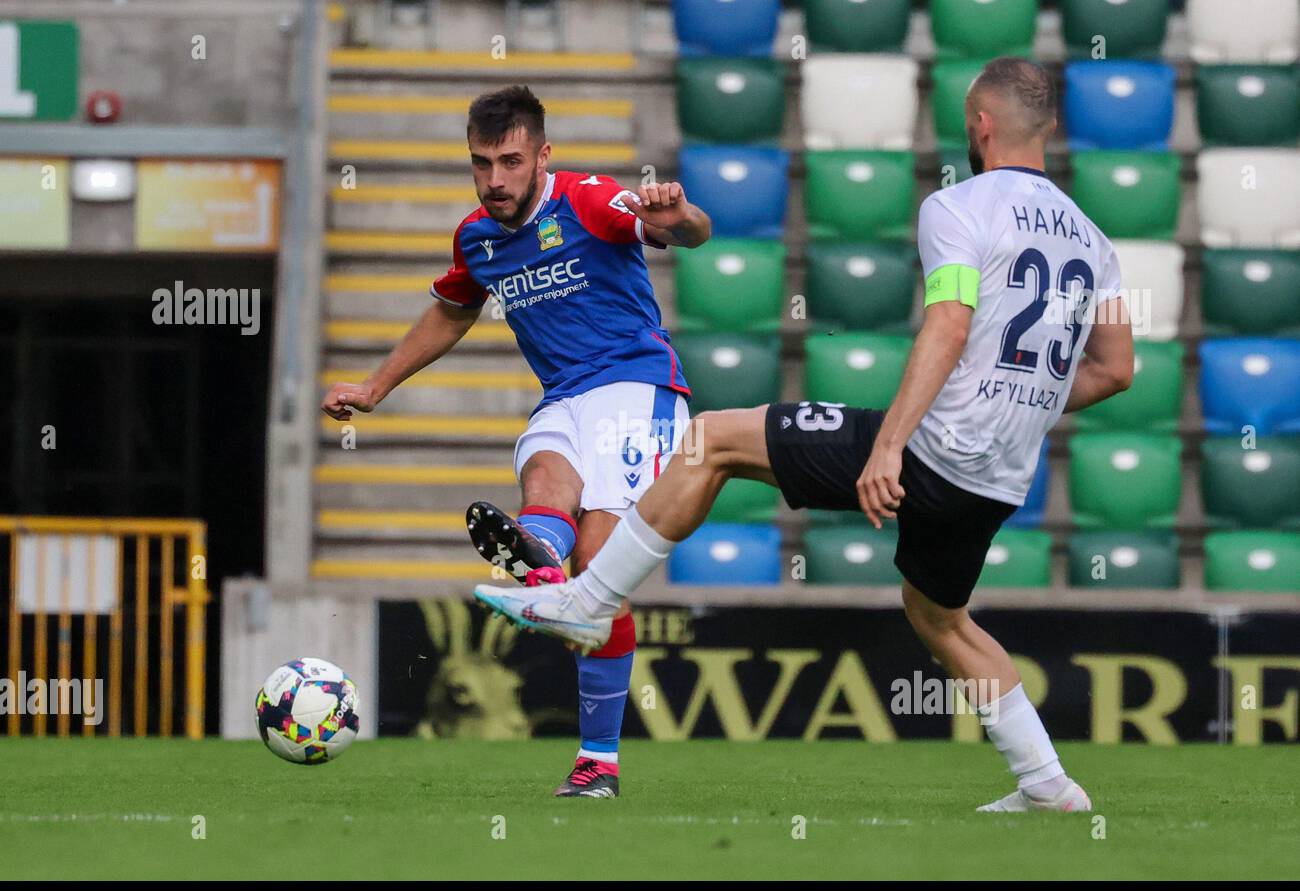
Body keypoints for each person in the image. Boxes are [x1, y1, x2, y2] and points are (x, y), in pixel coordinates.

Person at [474, 59, 1134, 813]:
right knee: (940, 618)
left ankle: (589, 599)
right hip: (996, 478)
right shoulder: (1093, 240)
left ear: (979, 125)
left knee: (712, 439)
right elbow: (1115, 371)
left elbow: (949, 323)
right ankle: (1048, 782)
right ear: (1046, 129)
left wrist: (891, 446)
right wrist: (1015, 399)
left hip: (928, 450)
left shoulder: (960, 206)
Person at [321, 84, 712, 798]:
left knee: (602, 571)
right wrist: (375, 387)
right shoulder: (476, 237)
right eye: (481, 163)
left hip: (637, 392)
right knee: (544, 484)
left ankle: (598, 754)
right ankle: (542, 572)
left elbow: (689, 233)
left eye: (509, 161)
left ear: (542, 156)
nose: (495, 179)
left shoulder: (589, 201)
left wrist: (679, 214)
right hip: (563, 400)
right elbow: (450, 312)